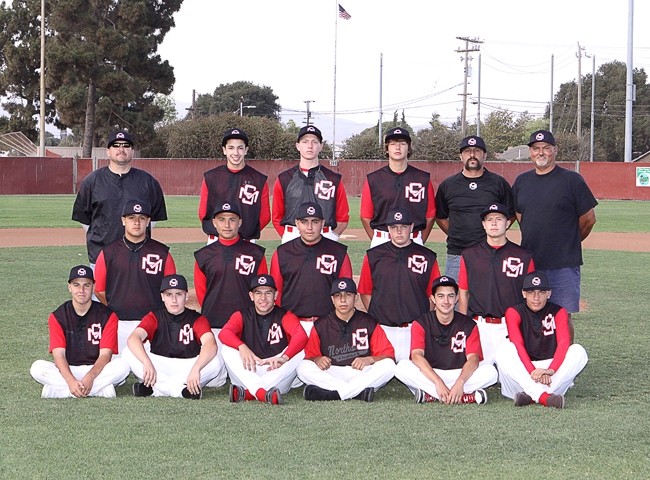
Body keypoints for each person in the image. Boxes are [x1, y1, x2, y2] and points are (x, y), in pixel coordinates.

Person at [512, 130, 597, 339]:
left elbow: (588, 219)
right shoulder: (522, 182)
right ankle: (536, 360)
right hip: (531, 262)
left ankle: (565, 365)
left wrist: (570, 241)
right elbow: (520, 215)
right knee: (530, 315)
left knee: (562, 317)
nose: (541, 152)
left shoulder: (572, 180)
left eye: (546, 148)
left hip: (563, 263)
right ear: (530, 152)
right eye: (536, 148)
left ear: (555, 151)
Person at [194, 202, 268, 387]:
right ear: (214, 223)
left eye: (232, 220)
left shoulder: (255, 253)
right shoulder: (203, 255)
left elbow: (263, 291)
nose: (227, 225)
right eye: (222, 220)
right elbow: (202, 292)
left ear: (240, 222)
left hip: (247, 325)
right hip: (215, 323)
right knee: (215, 380)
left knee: (246, 375)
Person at [30, 265, 129, 398]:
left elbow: (105, 355)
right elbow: (58, 355)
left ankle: (61, 392)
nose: (81, 290)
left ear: (93, 287)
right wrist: (70, 381)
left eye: (86, 285)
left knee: (123, 366)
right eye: (76, 285)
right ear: (69, 287)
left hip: (96, 370)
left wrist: (90, 378)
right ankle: (98, 391)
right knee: (37, 368)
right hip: (68, 370)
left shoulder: (108, 315)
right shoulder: (58, 316)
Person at [395, 276, 498, 404]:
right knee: (402, 368)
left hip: (458, 373)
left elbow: (473, 359)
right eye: (440, 296)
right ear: (433, 298)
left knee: (490, 372)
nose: (446, 301)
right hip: (432, 374)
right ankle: (462, 397)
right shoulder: (421, 322)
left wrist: (460, 383)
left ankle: (433, 395)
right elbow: (416, 356)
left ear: (456, 298)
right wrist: (438, 382)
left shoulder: (468, 324)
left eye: (450, 296)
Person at [72, 130, 167, 265]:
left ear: (132, 151)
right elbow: (84, 219)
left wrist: (137, 234)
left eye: (126, 145)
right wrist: (102, 234)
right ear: (108, 151)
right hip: (101, 255)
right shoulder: (92, 181)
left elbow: (154, 218)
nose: (121, 149)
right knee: (102, 287)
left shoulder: (148, 182)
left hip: (138, 255)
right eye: (116, 145)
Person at [495, 272, 588, 409]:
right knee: (504, 349)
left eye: (541, 292)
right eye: (531, 292)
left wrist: (550, 370)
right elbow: (518, 344)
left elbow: (563, 343)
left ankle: (531, 396)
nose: (536, 298)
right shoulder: (513, 312)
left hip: (550, 376)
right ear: (524, 293)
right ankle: (544, 397)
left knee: (578, 351)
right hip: (522, 375)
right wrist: (533, 371)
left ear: (549, 294)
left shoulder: (559, 311)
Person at [358, 208, 440, 362]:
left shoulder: (427, 256)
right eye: (394, 227)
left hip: (413, 328)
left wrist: (421, 319)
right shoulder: (374, 255)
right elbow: (365, 291)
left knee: (414, 367)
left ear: (411, 227)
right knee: (380, 366)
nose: (399, 231)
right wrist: (378, 316)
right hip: (383, 327)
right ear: (388, 229)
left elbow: (433, 294)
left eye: (403, 227)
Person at [122, 274, 224, 399]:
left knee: (216, 362)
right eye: (169, 295)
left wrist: (196, 368)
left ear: (186, 296)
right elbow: (133, 338)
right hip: (159, 364)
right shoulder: (154, 316)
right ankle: (181, 390)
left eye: (179, 294)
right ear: (162, 297)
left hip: (188, 366)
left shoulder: (197, 319)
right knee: (128, 352)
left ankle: (156, 389)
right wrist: (146, 362)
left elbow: (210, 344)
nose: (174, 300)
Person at [94, 200, 176, 353]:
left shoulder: (162, 253)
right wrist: (116, 307)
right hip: (118, 322)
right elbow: (99, 289)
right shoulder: (108, 252)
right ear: (123, 220)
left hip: (151, 322)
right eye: (131, 218)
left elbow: (171, 289)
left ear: (148, 221)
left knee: (149, 371)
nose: (137, 222)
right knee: (116, 369)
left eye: (142, 218)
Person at [457, 203, 535, 364]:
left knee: (512, 373)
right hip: (479, 325)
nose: (494, 223)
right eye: (489, 219)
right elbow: (463, 292)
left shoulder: (523, 256)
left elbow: (531, 295)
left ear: (507, 223)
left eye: (499, 219)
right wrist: (463, 325)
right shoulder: (469, 254)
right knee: (476, 371)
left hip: (511, 325)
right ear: (483, 224)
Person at [297, 278, 396, 402]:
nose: (343, 300)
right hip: (332, 372)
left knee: (389, 366)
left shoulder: (368, 322)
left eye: (348, 295)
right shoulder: (321, 324)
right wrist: (317, 359)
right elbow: (310, 356)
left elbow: (388, 355)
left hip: (361, 373)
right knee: (302, 367)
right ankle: (357, 393)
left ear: (356, 298)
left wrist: (369, 359)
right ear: (332, 300)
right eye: (338, 296)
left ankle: (333, 394)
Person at [219, 275, 308, 405]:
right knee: (227, 348)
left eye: (268, 293)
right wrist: (241, 347)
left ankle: (249, 393)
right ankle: (261, 393)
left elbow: (301, 336)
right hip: (249, 371)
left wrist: (284, 358)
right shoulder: (242, 315)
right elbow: (224, 333)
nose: (263, 298)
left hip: (275, 374)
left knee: (302, 350)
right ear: (251, 296)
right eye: (258, 293)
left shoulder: (285, 315)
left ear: (276, 295)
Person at [435, 135, 514, 280]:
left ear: (484, 155)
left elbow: (511, 214)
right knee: (456, 299)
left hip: (491, 251)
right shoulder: (448, 185)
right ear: (461, 156)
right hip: (457, 253)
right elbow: (440, 216)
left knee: (491, 298)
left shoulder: (498, 183)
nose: (472, 155)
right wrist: (455, 233)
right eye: (467, 151)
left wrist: (495, 232)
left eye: (477, 151)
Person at [270, 201, 353, 335]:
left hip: (328, 324)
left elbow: (347, 292)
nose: (309, 227)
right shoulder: (282, 253)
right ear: (297, 223)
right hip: (293, 325)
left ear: (322, 223)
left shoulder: (338, 252)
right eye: (304, 222)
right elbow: (275, 293)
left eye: (315, 222)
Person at [360, 127, 436, 247]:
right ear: (387, 149)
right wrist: (378, 239)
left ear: (409, 148)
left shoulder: (423, 179)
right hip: (383, 239)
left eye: (402, 143)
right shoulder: (374, 179)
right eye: (393, 144)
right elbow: (365, 216)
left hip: (414, 238)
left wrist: (418, 240)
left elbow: (430, 215)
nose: (397, 147)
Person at [272, 125, 349, 243]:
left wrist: (332, 237)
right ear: (298, 146)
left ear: (321, 146)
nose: (310, 146)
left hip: (326, 236)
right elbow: (277, 216)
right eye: (305, 141)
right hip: (293, 236)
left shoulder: (333, 179)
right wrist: (286, 236)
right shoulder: (284, 178)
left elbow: (343, 217)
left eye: (314, 142)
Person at [198, 128, 270, 244]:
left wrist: (247, 232)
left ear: (246, 150)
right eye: (231, 148)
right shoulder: (211, 177)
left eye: (240, 148)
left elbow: (265, 215)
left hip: (246, 241)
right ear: (224, 150)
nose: (236, 153)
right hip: (216, 241)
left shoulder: (259, 179)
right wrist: (223, 233)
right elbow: (203, 212)